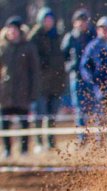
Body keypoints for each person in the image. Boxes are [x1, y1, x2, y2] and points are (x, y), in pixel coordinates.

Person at [0, 17, 41, 158]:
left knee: (24, 122)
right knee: (4, 122)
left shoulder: (28, 47)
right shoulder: (2, 46)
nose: (12, 32)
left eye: (15, 29)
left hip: (23, 91)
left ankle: (24, 150)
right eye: (10, 29)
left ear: (19, 30)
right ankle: (7, 150)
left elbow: (34, 71)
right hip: (5, 91)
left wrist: (33, 92)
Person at [28, 7, 67, 152]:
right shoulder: (34, 37)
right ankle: (39, 142)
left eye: (50, 19)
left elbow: (61, 59)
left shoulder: (57, 36)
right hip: (40, 84)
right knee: (39, 114)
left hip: (55, 83)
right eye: (46, 19)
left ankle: (51, 142)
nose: (48, 22)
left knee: (52, 116)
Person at [62, 8, 95, 143]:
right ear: (74, 22)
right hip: (76, 77)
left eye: (84, 20)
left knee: (94, 107)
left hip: (91, 77)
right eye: (79, 20)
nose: (82, 23)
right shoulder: (70, 37)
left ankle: (98, 138)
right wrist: (71, 66)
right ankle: (82, 138)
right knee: (79, 109)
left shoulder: (92, 35)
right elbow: (64, 56)